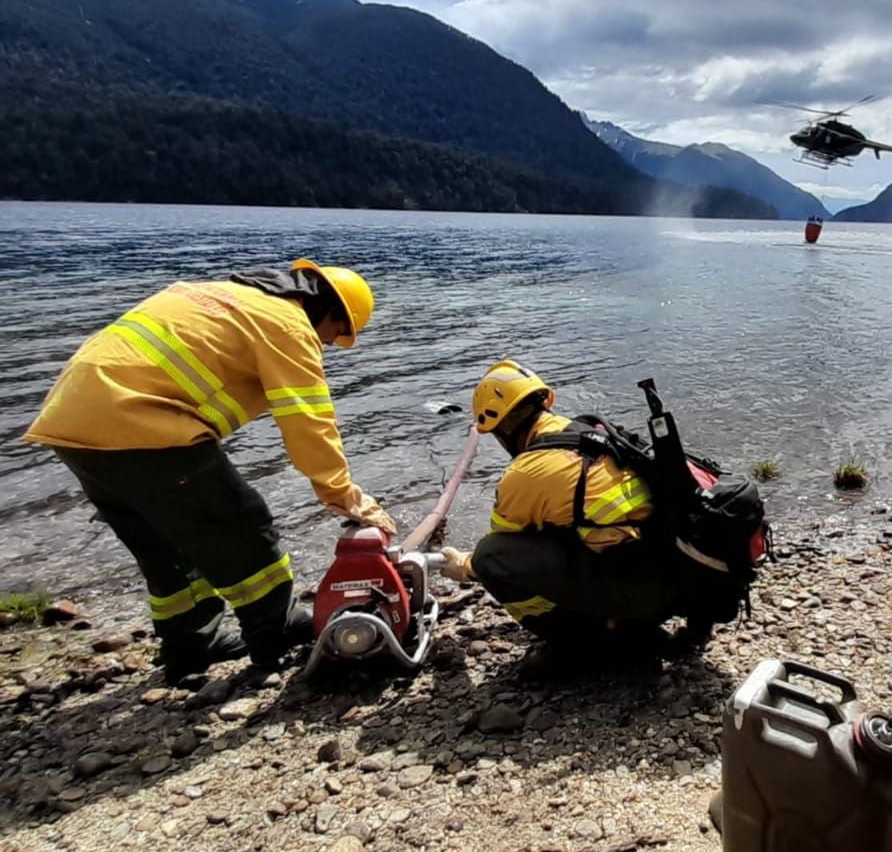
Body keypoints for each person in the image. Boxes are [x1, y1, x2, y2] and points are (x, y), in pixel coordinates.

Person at [24, 259, 396, 683]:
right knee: (242, 525)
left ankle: (190, 645)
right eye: (336, 336)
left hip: (69, 423)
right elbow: (308, 420)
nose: (329, 345)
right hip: (142, 424)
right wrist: (344, 494)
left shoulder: (213, 294)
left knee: (164, 545)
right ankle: (274, 634)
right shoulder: (287, 324)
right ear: (329, 312)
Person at [439, 359, 734, 673]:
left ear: (502, 430)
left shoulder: (524, 473)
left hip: (643, 592)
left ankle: (585, 646)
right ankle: (670, 626)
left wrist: (461, 565)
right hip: (686, 579)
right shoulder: (592, 431)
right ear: (544, 401)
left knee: (490, 557)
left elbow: (504, 546)